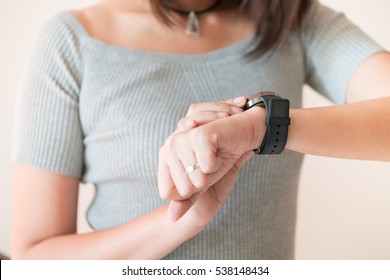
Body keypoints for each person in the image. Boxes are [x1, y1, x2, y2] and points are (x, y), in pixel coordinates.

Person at [11, 0, 389, 260]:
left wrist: (261, 127)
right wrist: (180, 221)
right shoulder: (72, 42)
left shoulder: (296, 17)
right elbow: (34, 256)